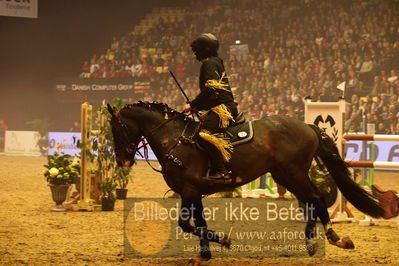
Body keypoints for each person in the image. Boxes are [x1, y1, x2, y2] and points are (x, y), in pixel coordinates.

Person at [183, 33, 238, 182]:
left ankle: (222, 171)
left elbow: (211, 89)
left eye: (197, 49)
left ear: (204, 49)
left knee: (204, 133)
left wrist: (192, 105)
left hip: (223, 109)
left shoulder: (209, 63)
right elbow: (212, 93)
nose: (196, 53)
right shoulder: (215, 61)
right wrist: (198, 106)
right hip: (220, 106)